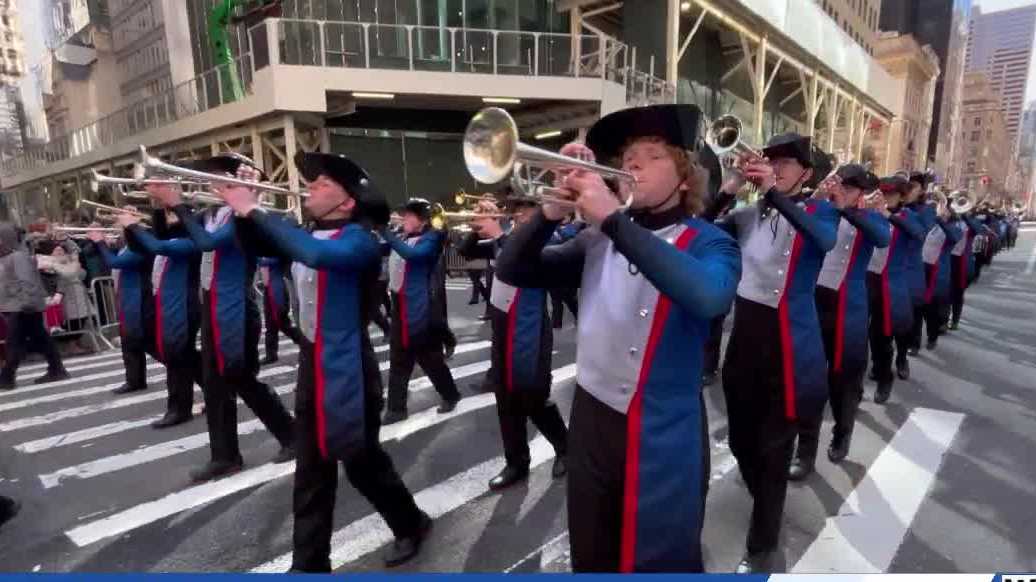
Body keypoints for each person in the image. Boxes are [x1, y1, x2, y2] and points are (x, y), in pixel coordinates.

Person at [496, 103, 741, 572]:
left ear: (686, 177)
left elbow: (709, 297)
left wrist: (612, 220)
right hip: (591, 418)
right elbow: (515, 269)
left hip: (662, 430)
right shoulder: (597, 239)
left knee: (658, 558)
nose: (632, 164)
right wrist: (548, 212)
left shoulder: (712, 241)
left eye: (651, 155)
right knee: (592, 549)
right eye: (628, 157)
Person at [217, 150, 432, 571]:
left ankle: (410, 523)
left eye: (320, 185)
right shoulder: (307, 232)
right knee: (312, 470)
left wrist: (255, 207)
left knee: (362, 462)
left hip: (350, 367)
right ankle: (310, 565)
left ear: (347, 200)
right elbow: (259, 247)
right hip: (314, 363)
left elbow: (318, 258)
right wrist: (243, 210)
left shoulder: (360, 241)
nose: (308, 189)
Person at [706, 132, 838, 572]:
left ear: (806, 173)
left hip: (788, 342)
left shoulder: (820, 211)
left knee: (774, 448)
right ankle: (764, 491)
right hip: (745, 337)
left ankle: (761, 543)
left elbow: (824, 240)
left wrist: (772, 193)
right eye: (772, 159)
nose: (776, 167)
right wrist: (727, 186)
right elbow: (702, 228)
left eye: (786, 162)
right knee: (743, 438)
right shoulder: (748, 213)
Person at [146, 155, 296, 481]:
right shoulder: (211, 213)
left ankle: (291, 434)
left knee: (241, 379)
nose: (210, 182)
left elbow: (208, 243)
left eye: (217, 177)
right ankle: (225, 456)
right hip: (213, 308)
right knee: (215, 386)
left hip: (236, 310)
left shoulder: (244, 217)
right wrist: (161, 205)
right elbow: (167, 238)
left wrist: (180, 205)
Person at [787, 166, 890, 479]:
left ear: (860, 192)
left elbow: (882, 238)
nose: (841, 190)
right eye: (839, 183)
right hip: (814, 299)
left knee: (843, 380)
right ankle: (805, 451)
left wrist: (847, 208)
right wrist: (818, 197)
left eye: (849, 187)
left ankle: (842, 434)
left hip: (848, 307)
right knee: (809, 379)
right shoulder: (821, 208)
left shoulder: (871, 218)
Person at [461, 196, 568, 491]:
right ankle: (516, 463)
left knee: (532, 396)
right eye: (516, 213)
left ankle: (565, 447)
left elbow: (521, 257)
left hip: (530, 327)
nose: (520, 218)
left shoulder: (551, 239)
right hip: (503, 326)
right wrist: (477, 224)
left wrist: (500, 234)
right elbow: (465, 250)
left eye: (526, 213)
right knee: (505, 399)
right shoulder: (505, 237)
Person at [380, 199, 462, 424]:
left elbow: (413, 255)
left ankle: (451, 394)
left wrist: (385, 231)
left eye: (409, 215)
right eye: (403, 214)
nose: (403, 218)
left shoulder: (433, 238)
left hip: (420, 307)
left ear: (423, 220)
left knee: (430, 359)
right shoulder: (403, 237)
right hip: (399, 305)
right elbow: (381, 249)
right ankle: (396, 409)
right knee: (398, 358)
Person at [118, 208, 199, 428]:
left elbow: (157, 245)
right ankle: (211, 389)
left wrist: (133, 225)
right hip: (168, 305)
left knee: (176, 356)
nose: (167, 219)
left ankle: (179, 409)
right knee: (181, 356)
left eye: (171, 215)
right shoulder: (171, 238)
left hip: (183, 305)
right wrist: (133, 226)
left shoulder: (188, 241)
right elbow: (142, 245)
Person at [866, 176, 924, 404]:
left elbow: (918, 234)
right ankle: (880, 373)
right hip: (867, 278)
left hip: (893, 282)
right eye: (883, 192)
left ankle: (893, 367)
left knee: (891, 332)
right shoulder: (870, 212)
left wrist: (888, 215)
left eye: (891, 193)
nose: (886, 197)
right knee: (869, 334)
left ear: (901, 196)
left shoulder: (908, 216)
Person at [0, 222, 70, 389]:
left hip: (23, 306)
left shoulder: (18, 256)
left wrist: (27, 303)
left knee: (14, 342)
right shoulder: (8, 257)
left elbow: (27, 282)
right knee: (41, 338)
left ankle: (6, 377)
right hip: (16, 306)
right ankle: (57, 368)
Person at [88, 226, 155, 394]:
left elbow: (114, 262)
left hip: (138, 298)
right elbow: (89, 252)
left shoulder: (140, 247)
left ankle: (190, 374)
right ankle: (134, 380)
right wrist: (99, 243)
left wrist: (100, 242)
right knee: (128, 342)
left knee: (147, 342)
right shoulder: (125, 246)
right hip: (127, 298)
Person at [902, 173, 936, 362]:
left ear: (922, 190)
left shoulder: (926, 209)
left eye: (913, 185)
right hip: (887, 265)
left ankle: (913, 343)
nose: (908, 188)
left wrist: (902, 211)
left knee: (914, 308)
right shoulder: (894, 205)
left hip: (913, 266)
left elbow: (921, 233)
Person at [918, 199, 962, 350]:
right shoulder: (932, 226)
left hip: (936, 273)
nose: (942, 210)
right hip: (922, 268)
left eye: (946, 209)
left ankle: (932, 337)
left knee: (931, 309)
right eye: (941, 208)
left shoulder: (955, 228)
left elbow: (953, 238)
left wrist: (939, 219)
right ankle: (914, 343)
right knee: (917, 307)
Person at [258, 255, 300, 363]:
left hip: (277, 290)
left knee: (282, 322)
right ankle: (271, 354)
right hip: (272, 289)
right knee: (271, 324)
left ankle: (305, 344)